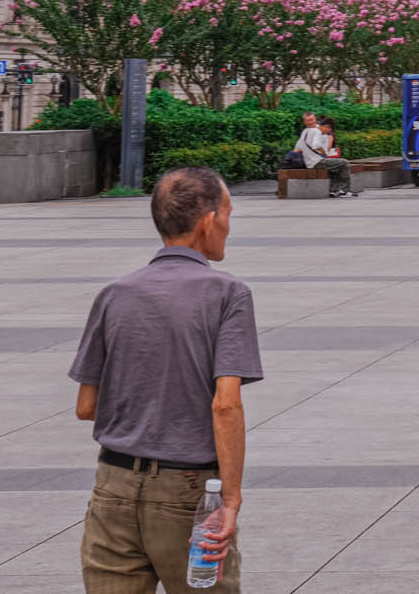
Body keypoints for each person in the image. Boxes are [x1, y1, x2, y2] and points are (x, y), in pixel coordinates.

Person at [71, 167, 262, 594]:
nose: (229, 226)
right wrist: (230, 501)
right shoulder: (227, 294)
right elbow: (225, 404)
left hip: (113, 488)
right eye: (228, 213)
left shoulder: (115, 294)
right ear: (208, 220)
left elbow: (86, 406)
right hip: (188, 493)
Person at [307, 116, 355, 198]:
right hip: (316, 161)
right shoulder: (319, 132)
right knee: (344, 163)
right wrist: (324, 152)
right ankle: (344, 191)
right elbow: (321, 147)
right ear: (327, 126)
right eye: (330, 130)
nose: (329, 132)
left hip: (314, 160)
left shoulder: (314, 131)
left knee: (336, 165)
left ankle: (333, 190)